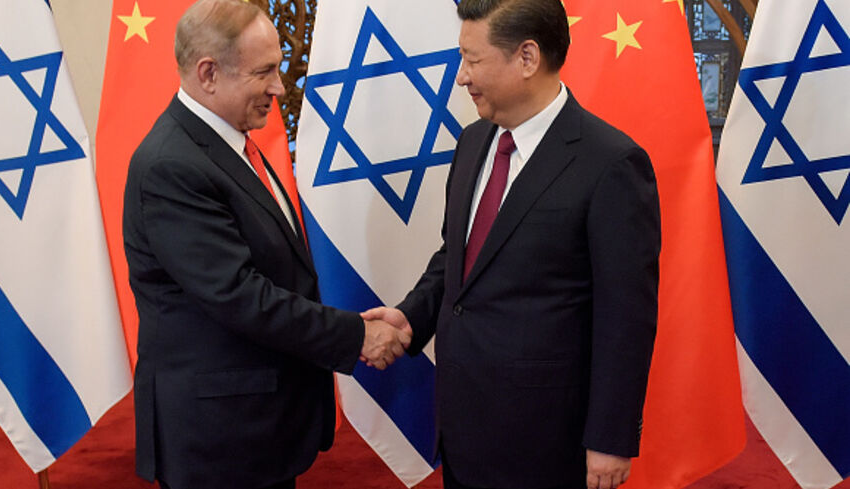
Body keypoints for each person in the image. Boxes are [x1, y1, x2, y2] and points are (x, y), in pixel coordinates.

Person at [362, 1, 660, 488]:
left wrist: (610, 438)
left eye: (472, 60)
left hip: (547, 443)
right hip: (462, 429)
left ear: (527, 58)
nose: (461, 78)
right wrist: (411, 317)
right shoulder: (473, 141)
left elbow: (626, 317)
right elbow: (456, 258)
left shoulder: (611, 163)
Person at [122, 1, 409, 488]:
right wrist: (355, 336)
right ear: (208, 73)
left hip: (256, 428)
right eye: (265, 72)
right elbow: (240, 296)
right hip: (219, 441)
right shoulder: (171, 166)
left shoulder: (229, 143)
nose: (280, 87)